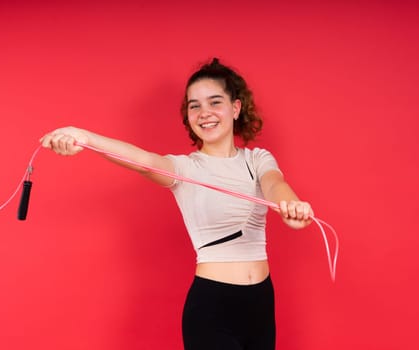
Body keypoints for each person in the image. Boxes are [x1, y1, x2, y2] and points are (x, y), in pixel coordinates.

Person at [40, 58, 313, 350]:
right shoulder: (185, 169)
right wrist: (83, 136)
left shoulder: (257, 159)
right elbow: (143, 162)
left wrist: (291, 206)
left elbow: (275, 185)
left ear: (236, 108)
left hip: (260, 302)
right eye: (194, 105)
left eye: (214, 102)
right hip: (212, 307)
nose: (204, 113)